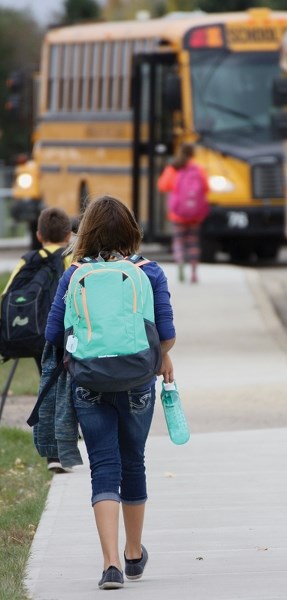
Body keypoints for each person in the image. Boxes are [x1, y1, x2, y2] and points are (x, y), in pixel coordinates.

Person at [45, 195, 176, 590]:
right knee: (132, 460)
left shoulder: (74, 274)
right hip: (137, 381)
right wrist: (160, 357)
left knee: (104, 465)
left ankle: (110, 564)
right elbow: (166, 336)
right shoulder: (149, 272)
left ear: (86, 232)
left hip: (89, 381)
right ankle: (134, 554)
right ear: (131, 231)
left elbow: (53, 335)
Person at [1, 206, 72, 473]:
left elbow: (7, 296)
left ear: (39, 234)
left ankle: (53, 452)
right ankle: (59, 450)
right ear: (68, 234)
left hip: (32, 335)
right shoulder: (70, 256)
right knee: (64, 390)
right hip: (62, 336)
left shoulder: (27, 259)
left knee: (48, 386)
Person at [158, 142, 209, 283]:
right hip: (195, 214)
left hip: (178, 213)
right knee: (193, 241)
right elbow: (206, 188)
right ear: (193, 153)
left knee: (179, 241)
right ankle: (193, 272)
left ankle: (180, 262)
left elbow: (162, 185)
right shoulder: (198, 169)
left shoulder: (174, 168)